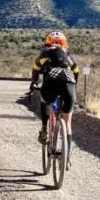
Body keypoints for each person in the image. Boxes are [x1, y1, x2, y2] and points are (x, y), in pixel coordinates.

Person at [29, 30, 79, 165]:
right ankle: (66, 159)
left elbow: (35, 69)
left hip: (50, 83)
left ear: (48, 42)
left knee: (45, 101)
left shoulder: (45, 53)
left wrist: (33, 84)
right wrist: (75, 88)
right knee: (67, 123)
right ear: (64, 44)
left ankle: (45, 128)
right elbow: (76, 71)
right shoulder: (68, 57)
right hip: (69, 85)